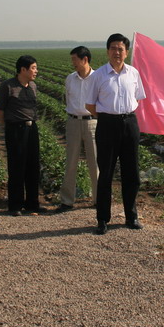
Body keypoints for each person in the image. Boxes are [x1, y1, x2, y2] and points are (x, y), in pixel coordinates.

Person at [84, 33, 146, 235]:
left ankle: (131, 216)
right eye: (113, 48)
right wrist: (108, 116)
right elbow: (90, 105)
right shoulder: (98, 75)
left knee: (132, 173)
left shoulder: (133, 73)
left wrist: (123, 116)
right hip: (107, 125)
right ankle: (103, 219)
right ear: (107, 51)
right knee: (106, 174)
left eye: (120, 49)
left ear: (126, 52)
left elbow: (138, 98)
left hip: (130, 124)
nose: (116, 52)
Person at [0, 55, 44, 216]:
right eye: (33, 68)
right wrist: (10, 126)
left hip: (32, 128)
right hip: (15, 128)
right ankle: (15, 205)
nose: (36, 71)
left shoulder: (33, 86)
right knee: (16, 166)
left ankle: (32, 203)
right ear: (23, 69)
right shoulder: (8, 86)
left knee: (33, 166)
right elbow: (0, 110)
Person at [58, 46, 98, 211]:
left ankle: (99, 200)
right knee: (71, 162)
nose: (72, 63)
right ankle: (67, 200)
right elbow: (68, 99)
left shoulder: (97, 78)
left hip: (92, 123)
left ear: (85, 59)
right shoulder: (70, 78)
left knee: (95, 162)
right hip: (73, 122)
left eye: (75, 59)